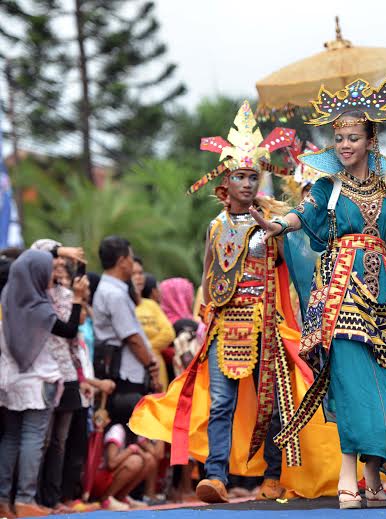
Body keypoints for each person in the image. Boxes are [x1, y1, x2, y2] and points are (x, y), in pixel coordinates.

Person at [254, 77, 386, 509]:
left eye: (353, 137)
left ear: (371, 140)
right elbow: (301, 216)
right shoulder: (326, 187)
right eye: (339, 138)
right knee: (351, 385)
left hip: (384, 295)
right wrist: (276, 226)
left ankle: (373, 479)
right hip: (340, 294)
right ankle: (346, 479)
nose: (345, 144)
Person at [130, 101, 342, 503]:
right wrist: (205, 318)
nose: (246, 183)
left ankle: (275, 475)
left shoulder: (274, 224)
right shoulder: (215, 227)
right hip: (226, 327)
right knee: (222, 404)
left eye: (252, 176)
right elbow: (208, 279)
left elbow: (295, 270)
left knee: (277, 404)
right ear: (226, 182)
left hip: (268, 326)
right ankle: (216, 477)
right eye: (240, 176)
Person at [0, 250, 88, 518]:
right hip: (38, 380)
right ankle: (26, 499)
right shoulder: (36, 306)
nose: (53, 274)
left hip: (11, 379)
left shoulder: (8, 298)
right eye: (49, 269)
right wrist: (79, 300)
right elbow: (69, 330)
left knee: (12, 437)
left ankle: (4, 499)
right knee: (32, 438)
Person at [91, 236, 160, 427]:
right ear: (121, 262)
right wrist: (151, 367)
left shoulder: (114, 291)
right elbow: (132, 338)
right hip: (124, 375)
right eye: (130, 258)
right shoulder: (114, 294)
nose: (132, 262)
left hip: (123, 372)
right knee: (129, 434)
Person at [136, 274, 175, 390]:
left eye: (139, 273)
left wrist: (146, 347)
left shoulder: (151, 305)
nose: (138, 278)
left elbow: (168, 333)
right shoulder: (123, 304)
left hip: (155, 364)